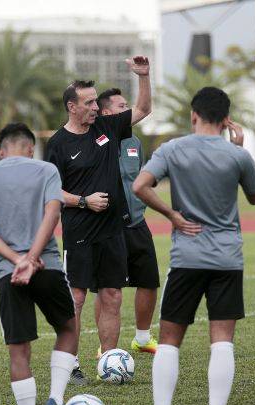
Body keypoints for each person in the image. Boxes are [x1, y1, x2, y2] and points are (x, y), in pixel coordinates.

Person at [133, 87, 255, 405]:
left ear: (194, 115)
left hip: (186, 258)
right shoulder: (237, 155)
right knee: (222, 340)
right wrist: (239, 151)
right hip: (227, 259)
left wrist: (173, 216)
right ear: (225, 120)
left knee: (168, 339)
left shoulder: (173, 149)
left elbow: (140, 186)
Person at [45, 56, 151, 384]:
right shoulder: (58, 144)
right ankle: (71, 363)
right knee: (76, 298)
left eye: (95, 101)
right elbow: (51, 190)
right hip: (78, 231)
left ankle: (109, 359)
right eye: (89, 102)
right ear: (71, 107)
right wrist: (82, 201)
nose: (95, 106)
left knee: (113, 295)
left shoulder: (107, 127)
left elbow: (143, 110)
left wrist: (144, 76)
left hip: (112, 229)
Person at [0, 123, 77, 405]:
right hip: (47, 265)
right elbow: (52, 214)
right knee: (68, 329)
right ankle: (55, 398)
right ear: (31, 148)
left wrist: (17, 260)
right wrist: (31, 257)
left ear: (0, 151)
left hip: (9, 273)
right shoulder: (46, 171)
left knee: (18, 350)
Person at [94, 87, 159, 354]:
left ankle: (142, 338)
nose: (128, 110)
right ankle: (104, 346)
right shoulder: (96, 141)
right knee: (108, 289)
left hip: (136, 222)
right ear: (107, 113)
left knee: (149, 280)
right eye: (122, 106)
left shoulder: (134, 143)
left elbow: (140, 178)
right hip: (108, 226)